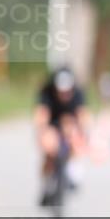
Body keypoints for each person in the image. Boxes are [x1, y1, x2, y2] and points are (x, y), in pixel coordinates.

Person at [34, 66, 90, 206]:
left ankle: (74, 173)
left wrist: (82, 131)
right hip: (52, 125)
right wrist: (43, 131)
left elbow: (83, 115)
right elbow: (41, 114)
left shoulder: (78, 93)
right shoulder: (47, 92)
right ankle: (47, 185)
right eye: (61, 91)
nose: (64, 94)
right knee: (49, 147)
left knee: (77, 141)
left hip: (70, 125)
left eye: (67, 91)